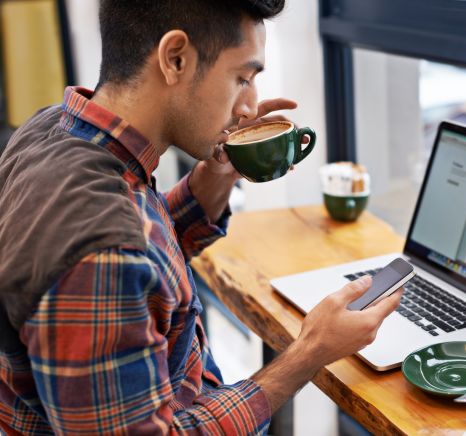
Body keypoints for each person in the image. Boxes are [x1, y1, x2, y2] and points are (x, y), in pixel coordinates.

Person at [0, 0, 401, 434]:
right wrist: (308, 352)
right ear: (175, 58)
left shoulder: (54, 129)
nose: (249, 107)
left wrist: (218, 175)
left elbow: (146, 261)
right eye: (242, 78)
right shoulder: (104, 256)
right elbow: (121, 260)